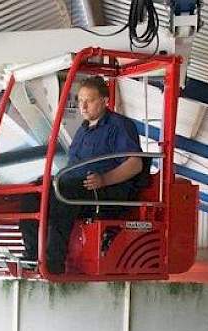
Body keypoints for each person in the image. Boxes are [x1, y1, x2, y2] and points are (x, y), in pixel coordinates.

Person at [20, 76, 146, 274]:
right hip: (77, 185)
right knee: (32, 195)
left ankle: (53, 263)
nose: (83, 106)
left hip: (105, 189)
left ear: (105, 101)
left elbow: (135, 164)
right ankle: (32, 255)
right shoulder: (83, 130)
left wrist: (104, 180)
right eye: (80, 101)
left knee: (65, 196)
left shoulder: (119, 126)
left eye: (89, 100)